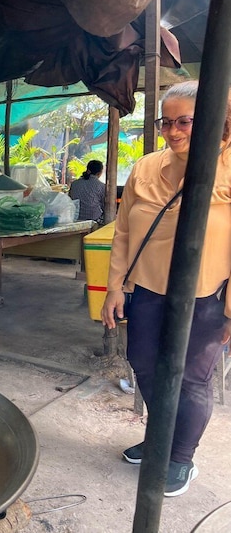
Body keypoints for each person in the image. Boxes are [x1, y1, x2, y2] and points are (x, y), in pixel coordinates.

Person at [101, 80, 231, 497]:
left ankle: (180, 457)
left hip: (207, 295)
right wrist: (115, 286)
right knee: (142, 362)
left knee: (192, 379)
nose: (174, 131)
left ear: (213, 119)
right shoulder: (145, 169)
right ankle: (162, 437)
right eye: (166, 122)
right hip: (149, 290)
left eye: (185, 122)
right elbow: (122, 233)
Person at [69, 159, 106, 224]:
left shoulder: (74, 183)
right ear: (99, 173)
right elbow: (105, 206)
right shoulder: (101, 186)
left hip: (75, 218)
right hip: (93, 219)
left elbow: (70, 199)